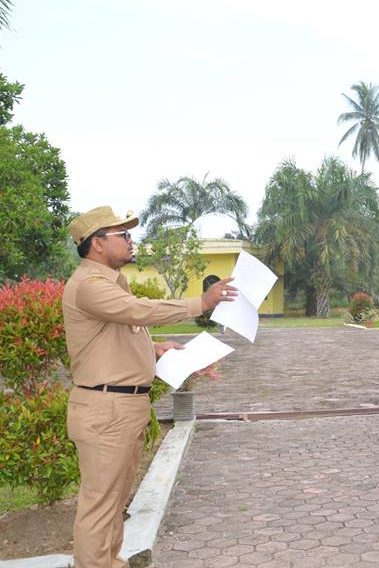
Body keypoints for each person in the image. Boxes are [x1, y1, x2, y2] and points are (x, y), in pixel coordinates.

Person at [63, 206, 238, 568]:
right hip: (106, 409)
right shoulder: (89, 286)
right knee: (100, 505)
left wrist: (157, 352)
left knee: (114, 502)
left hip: (120, 407)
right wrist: (201, 302)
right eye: (122, 235)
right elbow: (139, 311)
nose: (131, 241)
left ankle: (109, 561)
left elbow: (117, 339)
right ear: (97, 245)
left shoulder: (110, 285)